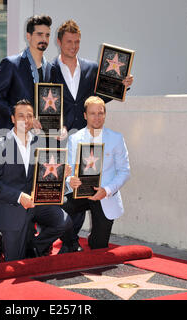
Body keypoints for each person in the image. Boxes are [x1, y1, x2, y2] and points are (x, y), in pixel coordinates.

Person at [50, 20, 133, 251]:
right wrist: (57, 126)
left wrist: (122, 86)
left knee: (86, 191)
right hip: (63, 138)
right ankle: (69, 241)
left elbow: (101, 96)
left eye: (77, 41)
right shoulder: (49, 69)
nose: (73, 46)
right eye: (69, 41)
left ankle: (73, 243)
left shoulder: (92, 68)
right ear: (59, 42)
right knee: (68, 193)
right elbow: (45, 102)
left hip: (90, 136)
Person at [0, 15, 53, 263]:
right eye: (39, 34)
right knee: (0, 195)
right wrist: (20, 118)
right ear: (28, 36)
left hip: (37, 141)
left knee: (30, 188)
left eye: (47, 35)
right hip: (9, 137)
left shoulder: (50, 68)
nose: (43, 39)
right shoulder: (11, 63)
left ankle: (27, 241)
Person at [0, 100, 72, 261]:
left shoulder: (41, 143)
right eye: (21, 116)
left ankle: (35, 245)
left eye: (29, 116)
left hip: (36, 204)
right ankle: (14, 246)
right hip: (12, 206)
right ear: (12, 118)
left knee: (64, 221)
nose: (25, 120)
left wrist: (62, 175)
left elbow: (45, 176)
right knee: (15, 261)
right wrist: (19, 197)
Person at [61, 96, 130, 252]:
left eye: (100, 113)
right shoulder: (74, 138)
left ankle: (93, 238)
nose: (97, 117)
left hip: (104, 194)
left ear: (105, 114)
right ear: (85, 115)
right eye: (92, 113)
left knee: (99, 247)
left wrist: (107, 190)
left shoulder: (116, 138)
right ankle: (72, 242)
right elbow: (69, 170)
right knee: (56, 208)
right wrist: (69, 180)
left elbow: (125, 171)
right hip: (79, 193)